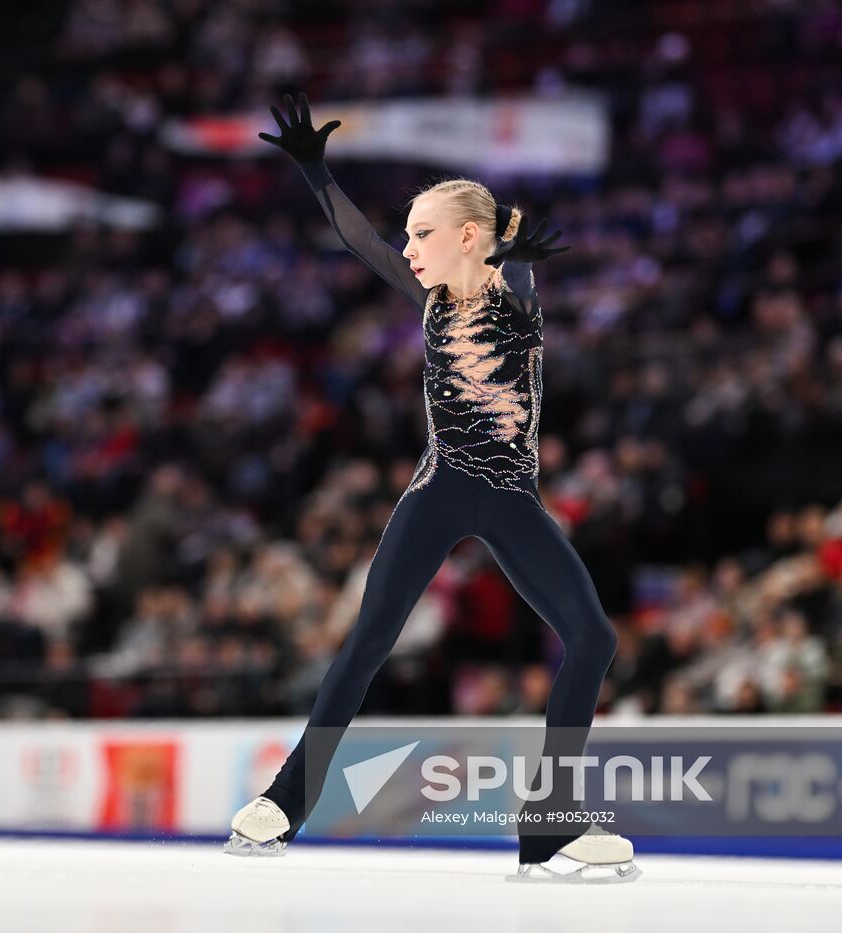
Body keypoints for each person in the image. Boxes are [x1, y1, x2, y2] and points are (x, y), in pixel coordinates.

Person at [224, 93, 639, 883]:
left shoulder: (516, 298)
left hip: (510, 495)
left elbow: (518, 265)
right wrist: (317, 174)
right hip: (441, 485)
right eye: (409, 235)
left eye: (422, 234)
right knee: (368, 640)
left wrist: (516, 244)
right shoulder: (429, 301)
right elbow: (359, 240)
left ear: (468, 238)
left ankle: (549, 825)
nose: (408, 248)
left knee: (593, 637)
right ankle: (282, 802)